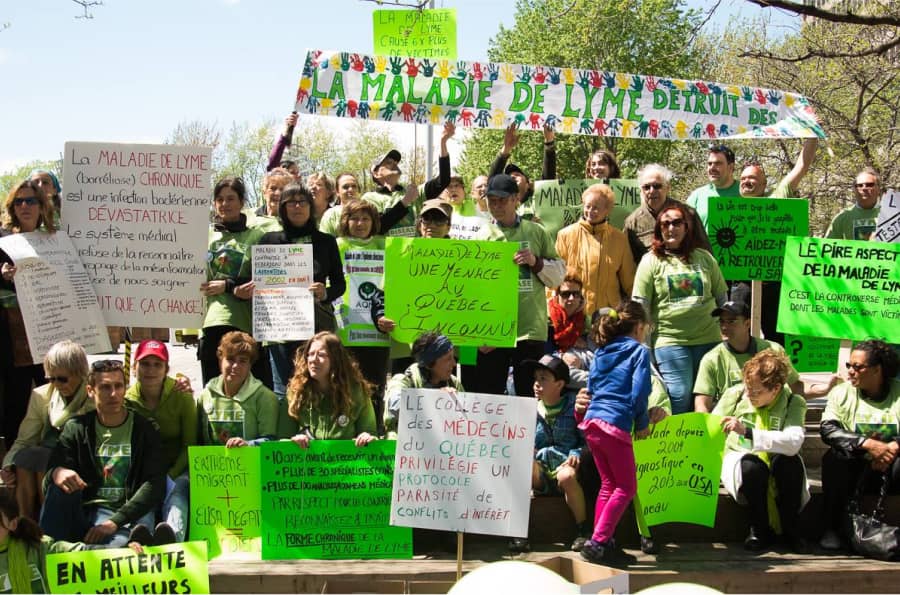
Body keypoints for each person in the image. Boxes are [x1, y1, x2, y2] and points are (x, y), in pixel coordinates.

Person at [39, 360, 166, 547]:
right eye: (105, 387)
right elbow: (47, 482)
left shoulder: (144, 429)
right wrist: (57, 473)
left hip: (125, 516)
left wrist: (115, 521)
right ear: (90, 391)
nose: (113, 394)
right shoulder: (76, 428)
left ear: (125, 388)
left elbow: (155, 484)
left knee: (113, 553)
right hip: (86, 513)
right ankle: (46, 550)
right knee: (59, 487)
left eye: (118, 386)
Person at [257, 184, 346, 436]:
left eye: (302, 202)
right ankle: (286, 445)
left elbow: (340, 285)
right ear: (282, 208)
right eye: (291, 202)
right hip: (280, 329)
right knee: (283, 392)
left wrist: (325, 292)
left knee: (318, 387)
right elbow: (257, 284)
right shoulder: (268, 241)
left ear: (311, 207)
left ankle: (319, 439)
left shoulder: (326, 242)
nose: (297, 206)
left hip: (316, 329)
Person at [467, 174, 565, 397]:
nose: (496, 206)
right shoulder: (481, 236)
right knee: (488, 394)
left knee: (527, 396)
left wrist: (535, 262)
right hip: (492, 332)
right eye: (492, 200)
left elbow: (558, 276)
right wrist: (479, 332)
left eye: (502, 200)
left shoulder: (536, 232)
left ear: (515, 200)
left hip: (529, 330)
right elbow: (471, 287)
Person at [632, 204, 727, 415]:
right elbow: (640, 306)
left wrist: (728, 331)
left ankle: (705, 444)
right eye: (665, 224)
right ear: (659, 230)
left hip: (709, 339)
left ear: (686, 227)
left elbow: (722, 297)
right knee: (680, 394)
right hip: (670, 341)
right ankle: (677, 444)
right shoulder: (650, 261)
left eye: (676, 223)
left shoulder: (705, 258)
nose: (671, 228)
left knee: (707, 396)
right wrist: (644, 347)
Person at [576, 300, 651, 566]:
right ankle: (597, 543)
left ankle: (604, 543)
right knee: (627, 486)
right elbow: (639, 391)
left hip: (593, 423)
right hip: (615, 424)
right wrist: (641, 422)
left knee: (609, 484)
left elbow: (591, 388)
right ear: (640, 327)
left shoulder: (601, 352)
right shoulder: (639, 352)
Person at [713, 350, 809, 553]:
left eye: (756, 392)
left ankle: (791, 527)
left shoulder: (793, 402)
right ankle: (758, 528)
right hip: (741, 456)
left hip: (777, 460)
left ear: (775, 389)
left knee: (789, 464)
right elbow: (712, 426)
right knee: (752, 467)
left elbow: (793, 442)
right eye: (748, 388)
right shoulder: (736, 395)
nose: (749, 395)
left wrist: (748, 432)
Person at [732, 136, 819, 345]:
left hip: (774, 285)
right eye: (743, 179)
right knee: (736, 333)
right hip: (743, 284)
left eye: (752, 178)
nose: (746, 182)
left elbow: (802, 165)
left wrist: (812, 134)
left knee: (777, 341)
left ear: (764, 184)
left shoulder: (778, 197)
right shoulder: (729, 209)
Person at [819, 339, 900, 550]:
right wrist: (867, 444)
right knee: (834, 459)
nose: (851, 371)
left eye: (858, 366)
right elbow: (829, 431)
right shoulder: (841, 393)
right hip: (855, 468)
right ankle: (832, 528)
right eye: (849, 365)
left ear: (877, 370)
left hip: (892, 467)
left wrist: (892, 448)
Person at [1, 341, 93, 521]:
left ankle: (46, 524)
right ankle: (24, 522)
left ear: (80, 374)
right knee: (26, 457)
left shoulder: (93, 396)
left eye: (62, 379)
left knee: (40, 458)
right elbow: (24, 439)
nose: (56, 384)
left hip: (78, 458)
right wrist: (7, 466)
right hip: (43, 457)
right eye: (51, 378)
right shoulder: (42, 395)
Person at [510, 355, 589, 554]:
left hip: (566, 467)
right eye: (536, 378)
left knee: (567, 477)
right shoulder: (529, 409)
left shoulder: (574, 407)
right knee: (522, 468)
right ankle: (519, 532)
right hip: (541, 470)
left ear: (560, 384)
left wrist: (576, 453)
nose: (537, 384)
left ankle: (583, 530)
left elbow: (586, 440)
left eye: (544, 379)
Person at [199, 176, 271, 387]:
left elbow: (268, 275)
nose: (225, 204)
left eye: (231, 198)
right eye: (219, 199)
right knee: (214, 389)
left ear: (241, 202)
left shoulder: (257, 236)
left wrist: (228, 285)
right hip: (210, 323)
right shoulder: (204, 235)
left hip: (245, 324)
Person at [124, 340, 197, 542]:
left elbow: (190, 444)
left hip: (179, 466)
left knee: (178, 494)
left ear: (166, 369)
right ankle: (141, 537)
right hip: (145, 470)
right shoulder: (127, 400)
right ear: (134, 367)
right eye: (145, 364)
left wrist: (171, 476)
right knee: (144, 498)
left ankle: (173, 538)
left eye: (158, 364)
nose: (151, 370)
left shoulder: (181, 395)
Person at [1, 180, 55, 448]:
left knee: (53, 395)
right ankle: (14, 469)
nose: (24, 206)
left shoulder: (55, 241)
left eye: (30, 201)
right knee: (16, 403)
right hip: (12, 340)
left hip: (49, 331)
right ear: (12, 207)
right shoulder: (2, 240)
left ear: (41, 205)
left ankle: (49, 464)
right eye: (19, 201)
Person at [694, 299, 803, 413]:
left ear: (747, 324)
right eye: (721, 321)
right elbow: (702, 404)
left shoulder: (774, 350)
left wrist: (822, 392)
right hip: (730, 423)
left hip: (771, 422)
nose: (724, 327)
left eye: (731, 321)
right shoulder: (711, 358)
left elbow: (797, 387)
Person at [555, 183, 636, 318]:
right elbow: (554, 275)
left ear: (607, 210)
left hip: (608, 316)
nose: (591, 211)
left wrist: (637, 310)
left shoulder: (619, 239)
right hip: (573, 314)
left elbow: (629, 281)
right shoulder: (565, 235)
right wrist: (553, 310)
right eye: (588, 206)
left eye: (596, 208)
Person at [361, 122, 454, 237]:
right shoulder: (369, 198)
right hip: (387, 253)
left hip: (412, 253)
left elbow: (443, 180)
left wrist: (443, 142)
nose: (395, 164)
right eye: (389, 162)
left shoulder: (414, 192)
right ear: (376, 173)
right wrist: (405, 201)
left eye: (396, 162)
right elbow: (379, 227)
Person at [284, 332, 377, 446]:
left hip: (347, 462)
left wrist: (366, 437)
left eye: (321, 355)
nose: (313, 360)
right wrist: (294, 440)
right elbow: (282, 439)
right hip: (306, 461)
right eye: (310, 354)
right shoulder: (296, 392)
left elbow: (370, 433)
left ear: (336, 360)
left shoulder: (357, 392)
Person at [198, 331, 279, 447]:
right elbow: (198, 440)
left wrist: (249, 445)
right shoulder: (206, 395)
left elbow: (272, 441)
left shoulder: (265, 397)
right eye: (230, 359)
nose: (235, 366)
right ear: (220, 360)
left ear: (250, 365)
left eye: (243, 361)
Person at [383, 332, 463, 438]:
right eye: (448, 359)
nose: (453, 363)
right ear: (430, 364)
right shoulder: (403, 381)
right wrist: (436, 400)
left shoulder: (454, 383)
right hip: (409, 445)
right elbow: (395, 409)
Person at [623, 164, 710, 261]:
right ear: (641, 190)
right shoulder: (632, 223)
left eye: (657, 186)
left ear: (667, 187)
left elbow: (706, 253)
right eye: (646, 187)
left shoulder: (688, 214)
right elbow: (627, 262)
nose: (651, 191)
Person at [489, 123, 556, 220]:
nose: (512, 177)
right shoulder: (501, 204)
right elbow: (492, 183)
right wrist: (506, 149)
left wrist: (549, 142)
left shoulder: (539, 201)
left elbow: (548, 181)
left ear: (528, 185)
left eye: (517, 175)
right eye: (509, 177)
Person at [686, 143, 741, 227]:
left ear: (731, 167)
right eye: (709, 164)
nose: (712, 168)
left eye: (718, 163)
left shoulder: (744, 193)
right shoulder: (697, 196)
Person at [547, 274, 592, 370]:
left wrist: (581, 362)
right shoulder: (545, 319)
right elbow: (541, 354)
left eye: (576, 294)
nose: (571, 298)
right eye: (566, 294)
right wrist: (561, 357)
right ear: (557, 295)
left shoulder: (586, 322)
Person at [825, 167, 882, 240]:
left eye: (869, 185)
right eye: (859, 185)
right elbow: (827, 247)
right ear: (854, 190)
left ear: (879, 189)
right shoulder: (842, 218)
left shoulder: (891, 215)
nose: (864, 188)